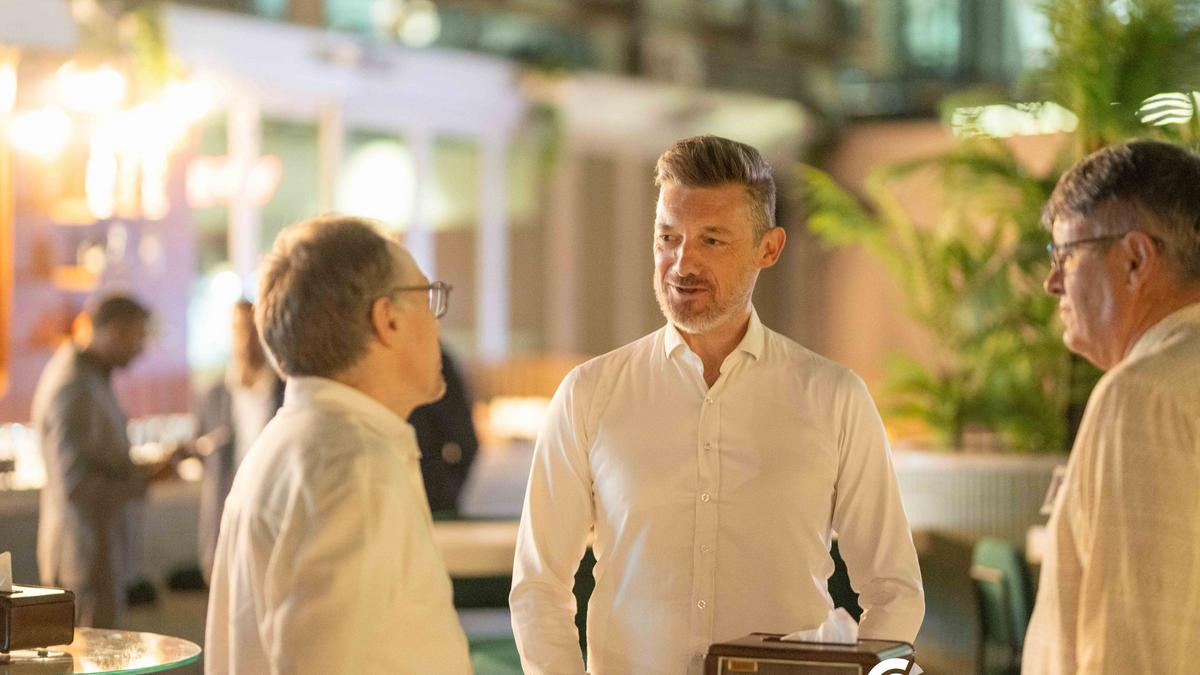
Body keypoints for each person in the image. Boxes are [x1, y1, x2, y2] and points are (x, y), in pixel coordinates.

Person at [510, 135, 924, 675]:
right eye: (668, 237)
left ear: (768, 248)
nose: (682, 263)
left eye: (712, 240)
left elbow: (893, 587)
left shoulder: (834, 399)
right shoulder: (588, 395)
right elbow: (538, 587)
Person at [204, 215, 471, 674]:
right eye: (427, 296)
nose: (435, 319)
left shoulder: (290, 443)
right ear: (387, 319)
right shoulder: (356, 469)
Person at [1022, 140, 1200, 674]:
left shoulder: (1143, 396)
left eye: (1065, 255)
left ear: (1135, 260)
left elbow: (1133, 645)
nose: (1052, 283)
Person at [32, 294, 153, 627]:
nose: (141, 349)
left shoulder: (92, 376)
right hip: (83, 563)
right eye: (138, 336)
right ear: (115, 331)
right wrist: (142, 480)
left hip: (96, 558)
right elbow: (76, 486)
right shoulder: (73, 384)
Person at [194, 299, 284, 582]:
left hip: (275, 525)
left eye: (254, 330)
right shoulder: (213, 396)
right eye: (240, 330)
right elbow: (203, 456)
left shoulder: (286, 392)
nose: (247, 339)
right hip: (225, 528)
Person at [409, 344, 479, 516]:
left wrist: (445, 487)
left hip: (432, 495)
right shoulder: (432, 356)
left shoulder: (433, 358)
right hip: (433, 494)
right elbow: (465, 439)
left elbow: (465, 440)